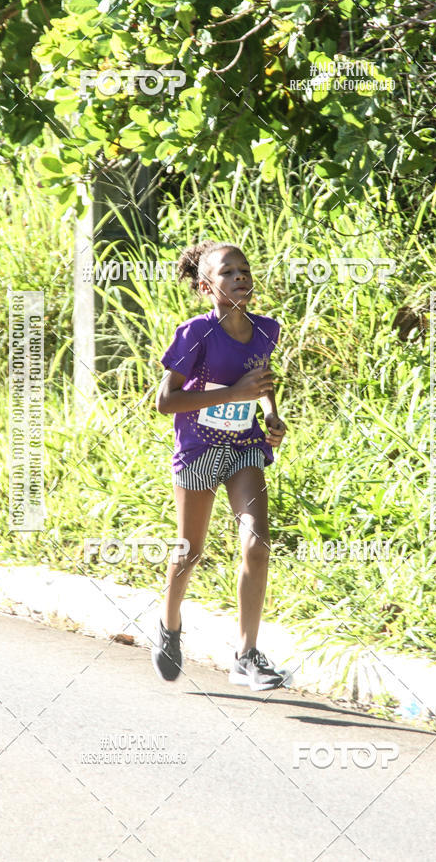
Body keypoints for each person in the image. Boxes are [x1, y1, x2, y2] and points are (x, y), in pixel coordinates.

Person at [151, 239, 288, 691]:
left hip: (244, 446)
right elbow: (165, 401)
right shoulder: (196, 333)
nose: (240, 277)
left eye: (244, 269)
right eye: (228, 272)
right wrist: (232, 394)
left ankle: (247, 655)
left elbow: (261, 380)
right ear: (207, 285)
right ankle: (169, 627)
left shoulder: (267, 328)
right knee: (190, 550)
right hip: (199, 449)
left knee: (257, 542)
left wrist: (270, 413)